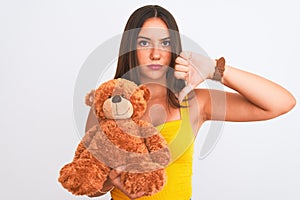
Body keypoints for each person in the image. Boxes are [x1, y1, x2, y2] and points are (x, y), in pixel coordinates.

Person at [85, 5, 296, 200]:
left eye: (165, 43)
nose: (156, 54)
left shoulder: (194, 102)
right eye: (144, 42)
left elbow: (281, 103)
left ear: (174, 48)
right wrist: (109, 182)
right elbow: (90, 187)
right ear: (130, 47)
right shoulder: (109, 102)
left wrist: (215, 69)